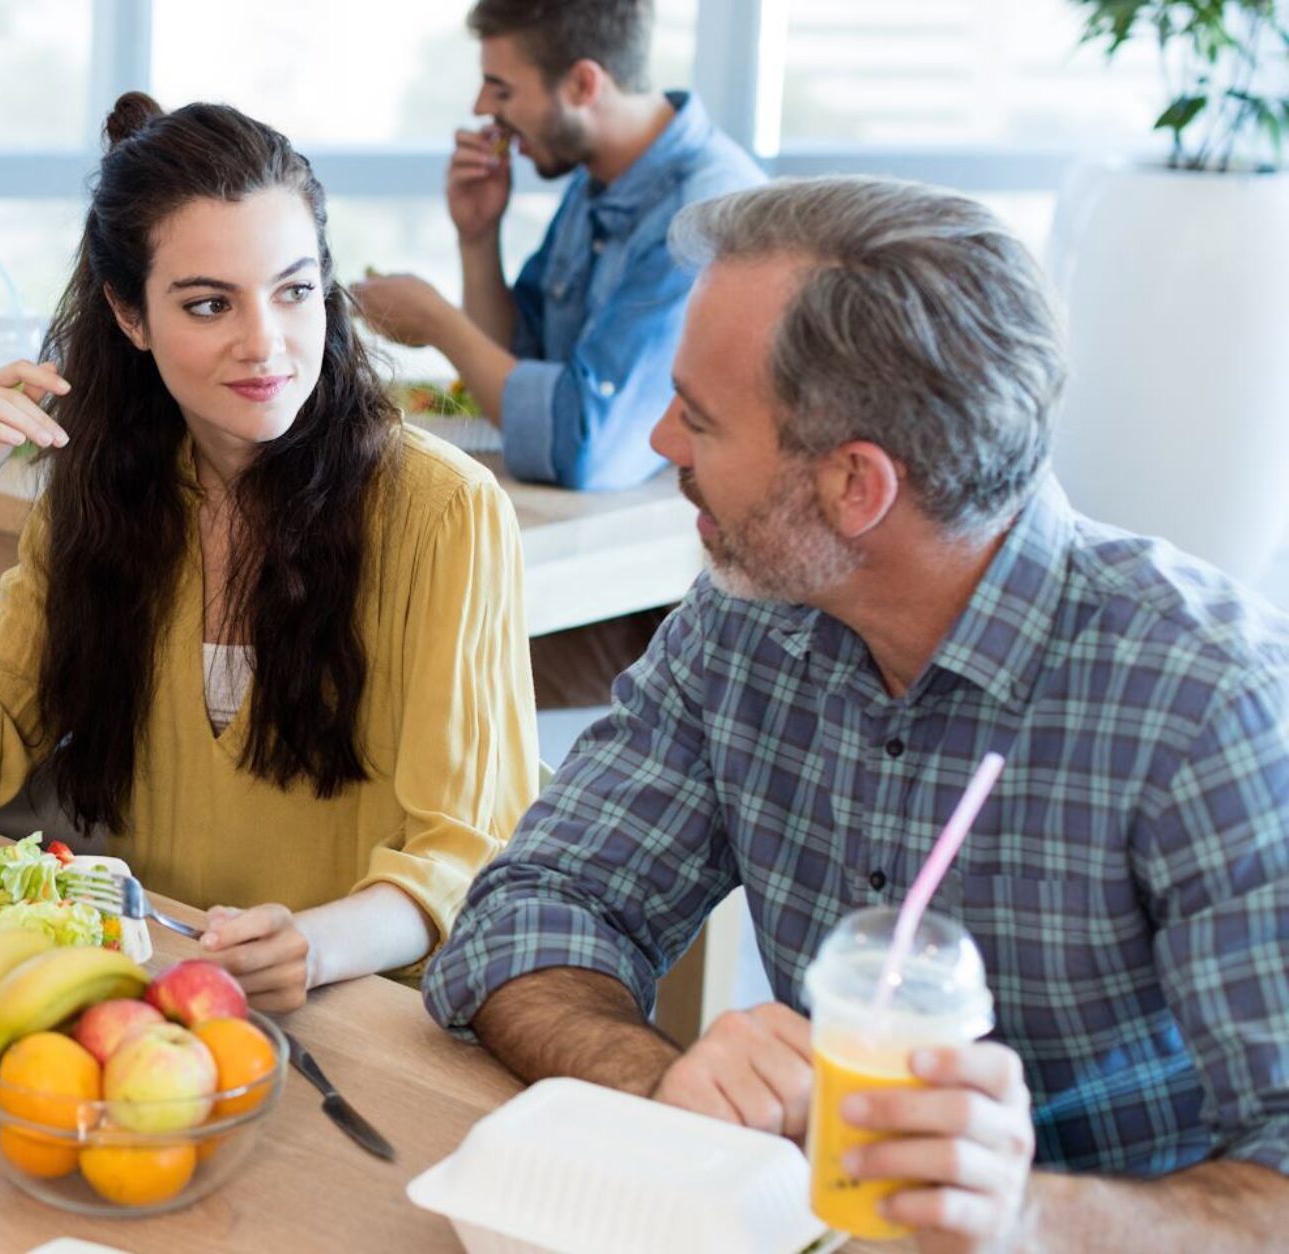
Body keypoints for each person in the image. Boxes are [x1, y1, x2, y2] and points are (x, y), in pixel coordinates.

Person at [426, 176, 1289, 1248]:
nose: (658, 442)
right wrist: (672, 1084)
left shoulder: (1214, 706)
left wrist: (1027, 1216)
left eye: (699, 417)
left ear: (854, 487)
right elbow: (528, 914)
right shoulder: (746, 622)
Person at [0, 94, 542, 1012]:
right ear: (130, 315)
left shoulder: (445, 511)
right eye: (207, 304)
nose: (266, 344)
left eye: (295, 291)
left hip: (361, 1010)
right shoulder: (102, 488)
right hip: (144, 992)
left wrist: (310, 946)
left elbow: (466, 851)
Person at [355, 0, 764, 710]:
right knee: (387, 635)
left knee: (411, 662)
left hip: (678, 608)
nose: (483, 108)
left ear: (582, 83)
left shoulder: (702, 214)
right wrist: (478, 238)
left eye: (502, 88)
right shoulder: (595, 185)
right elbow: (518, 369)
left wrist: (437, 320)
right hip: (606, 567)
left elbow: (585, 446)